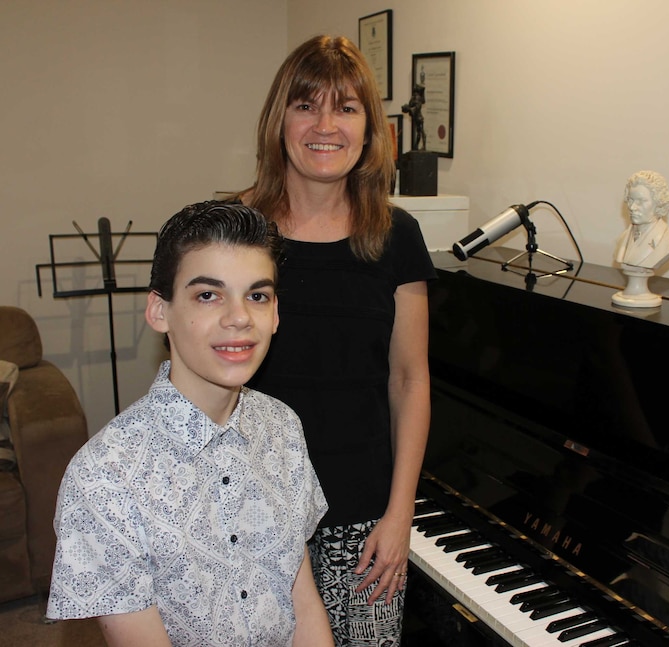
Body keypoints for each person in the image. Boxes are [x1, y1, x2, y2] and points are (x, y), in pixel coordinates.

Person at [47, 201, 333, 647]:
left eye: (257, 295)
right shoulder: (103, 478)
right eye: (208, 294)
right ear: (160, 311)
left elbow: (302, 600)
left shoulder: (282, 427)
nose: (239, 318)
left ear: (276, 314)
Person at [239, 34, 436, 646]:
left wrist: (399, 514)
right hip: (252, 512)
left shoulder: (398, 235)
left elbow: (410, 379)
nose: (325, 125)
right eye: (306, 105)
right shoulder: (233, 230)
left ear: (369, 129)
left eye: (346, 108)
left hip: (364, 516)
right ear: (280, 119)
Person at [614, 170, 669, 270]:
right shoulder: (623, 237)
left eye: (641, 201)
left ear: (658, 202)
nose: (632, 207)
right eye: (630, 200)